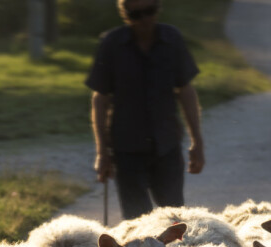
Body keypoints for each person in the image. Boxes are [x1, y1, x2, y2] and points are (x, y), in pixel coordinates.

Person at [85, 0, 205, 220]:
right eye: (135, 14)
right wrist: (102, 152)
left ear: (158, 10)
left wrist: (197, 141)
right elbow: (100, 99)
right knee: (137, 222)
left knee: (174, 219)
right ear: (125, 14)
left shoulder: (171, 39)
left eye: (149, 12)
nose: (144, 20)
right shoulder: (112, 44)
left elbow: (186, 91)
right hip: (127, 148)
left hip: (166, 144)